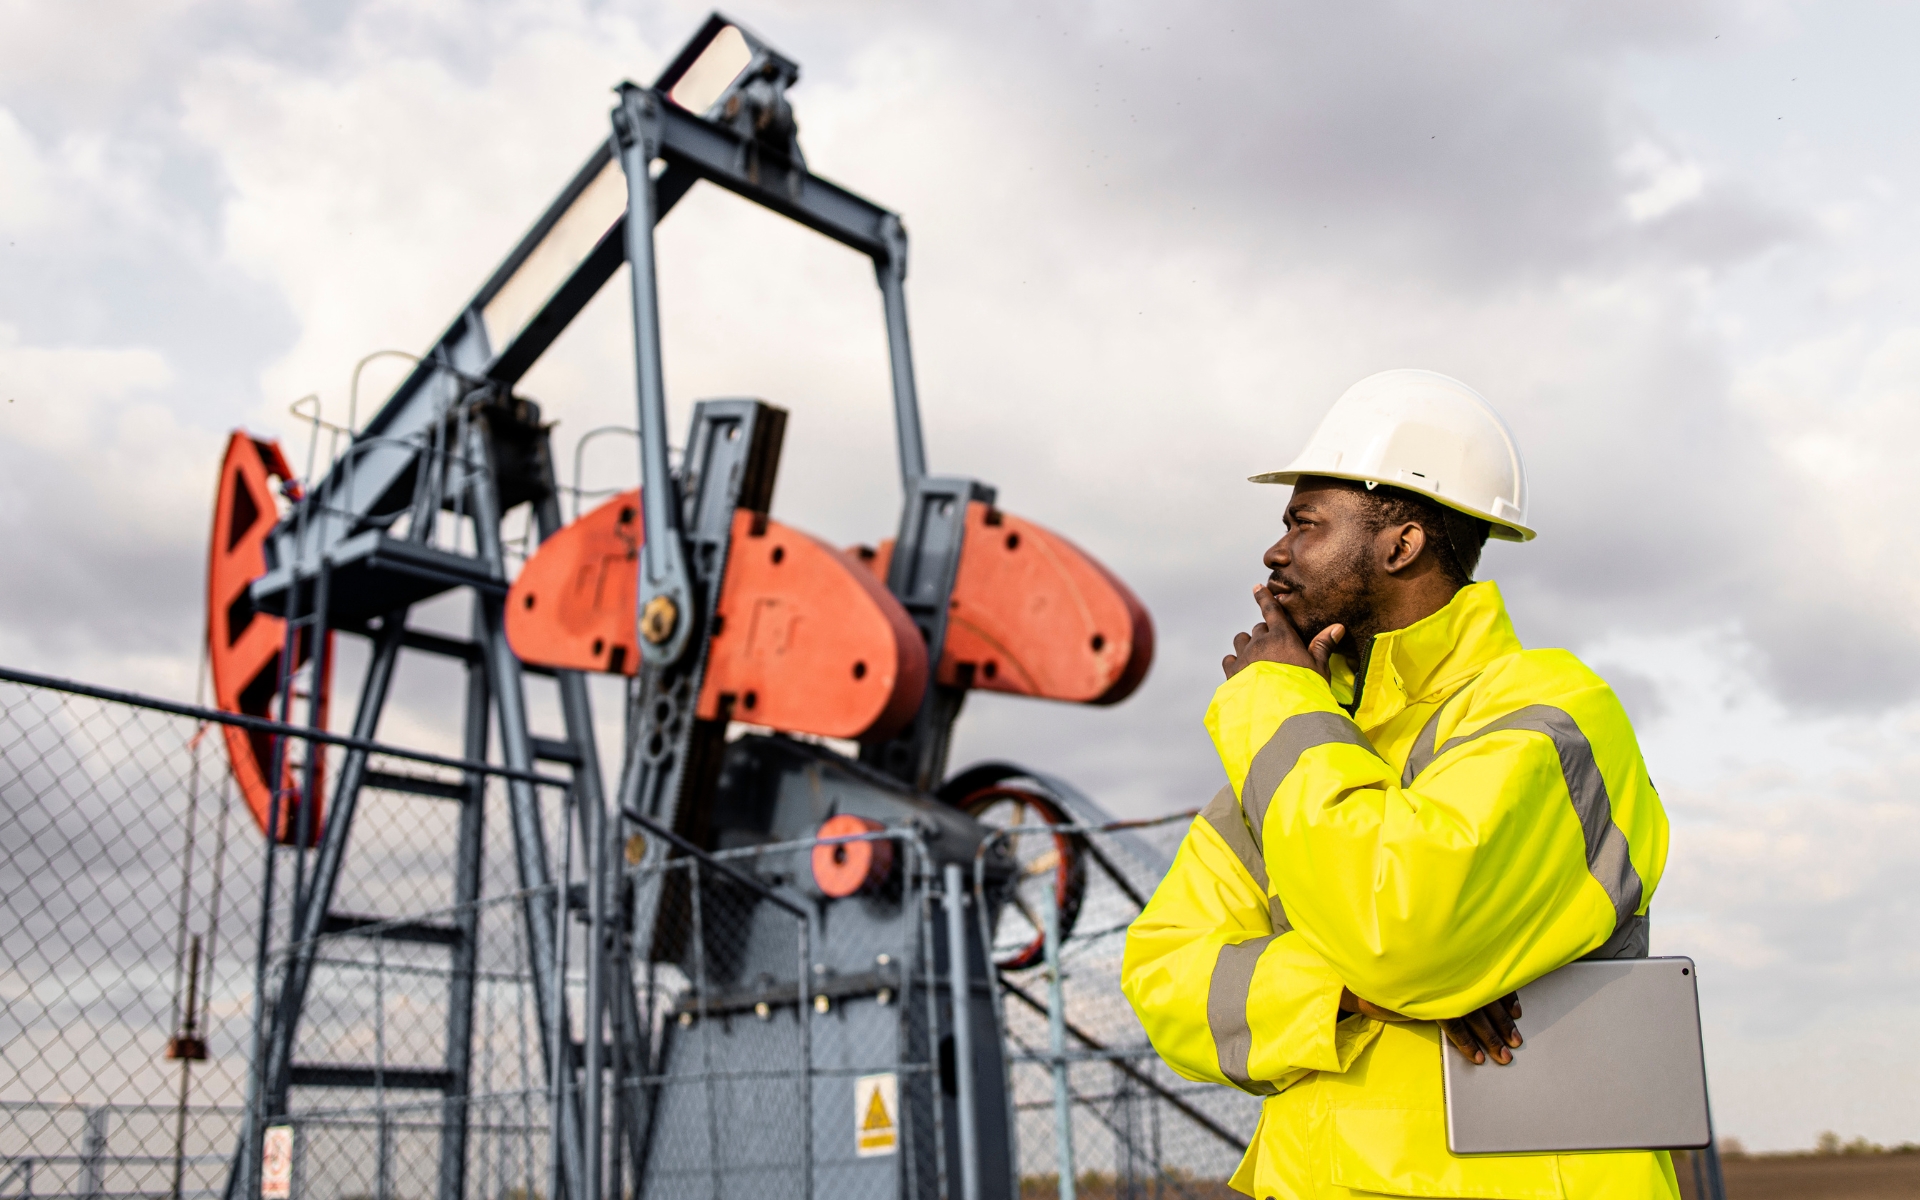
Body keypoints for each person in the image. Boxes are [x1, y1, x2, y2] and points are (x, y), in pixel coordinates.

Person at [1121, 370, 1677, 1199]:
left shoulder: (1553, 711)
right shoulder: (1301, 747)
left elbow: (1406, 927)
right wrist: (1344, 992)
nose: (1276, 552)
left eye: (1306, 524)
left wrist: (1275, 695)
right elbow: (1166, 975)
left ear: (1402, 543)